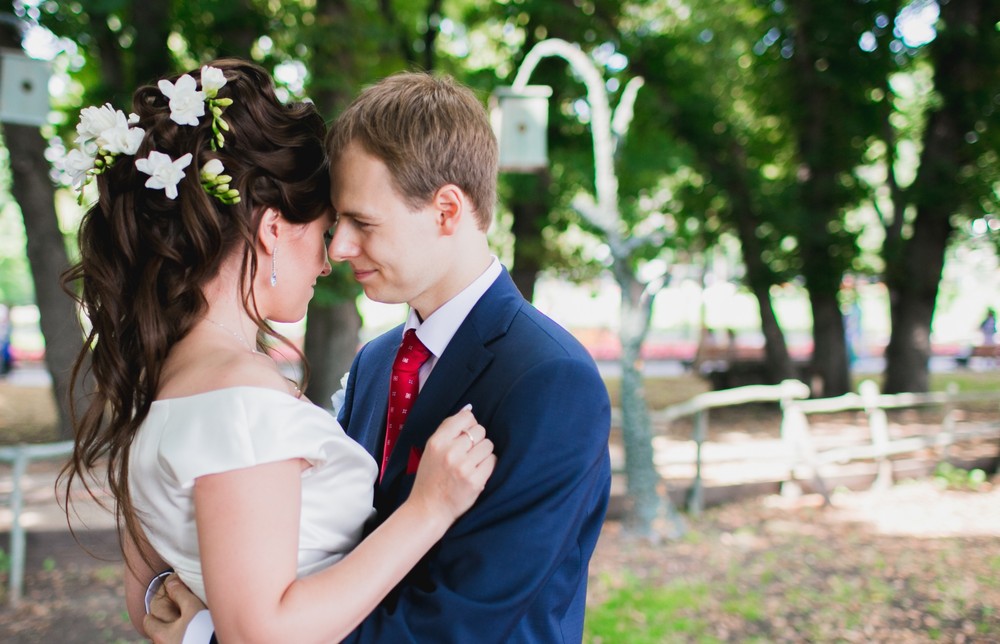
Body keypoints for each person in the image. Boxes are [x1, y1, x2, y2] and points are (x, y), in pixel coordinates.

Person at [151, 71, 613, 643]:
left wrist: (213, 637)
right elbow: (339, 555)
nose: (340, 247)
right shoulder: (377, 363)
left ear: (446, 211)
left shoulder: (549, 378)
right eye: (338, 222)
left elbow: (456, 625)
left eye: (362, 223)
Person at [59, 59, 495, 643]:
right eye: (322, 231)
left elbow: (148, 601)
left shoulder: (163, 383)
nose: (330, 256)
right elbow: (263, 631)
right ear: (271, 230)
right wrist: (429, 510)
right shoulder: (241, 397)